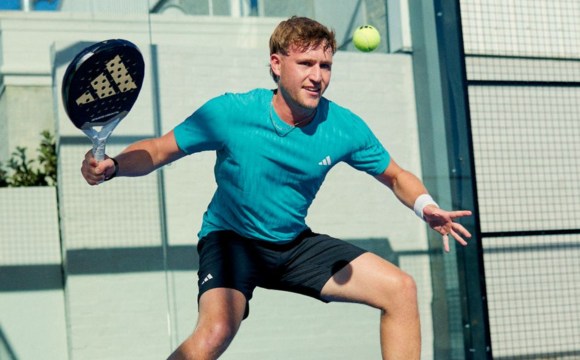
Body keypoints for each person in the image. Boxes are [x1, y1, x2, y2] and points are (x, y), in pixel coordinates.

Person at [81, 16, 471, 360]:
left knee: (400, 289)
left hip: (291, 245)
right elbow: (157, 149)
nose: (317, 76)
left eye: (325, 65)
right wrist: (113, 165)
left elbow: (396, 175)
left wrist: (424, 205)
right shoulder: (231, 112)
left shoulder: (343, 126)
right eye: (305, 63)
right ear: (276, 64)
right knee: (215, 333)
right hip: (231, 241)